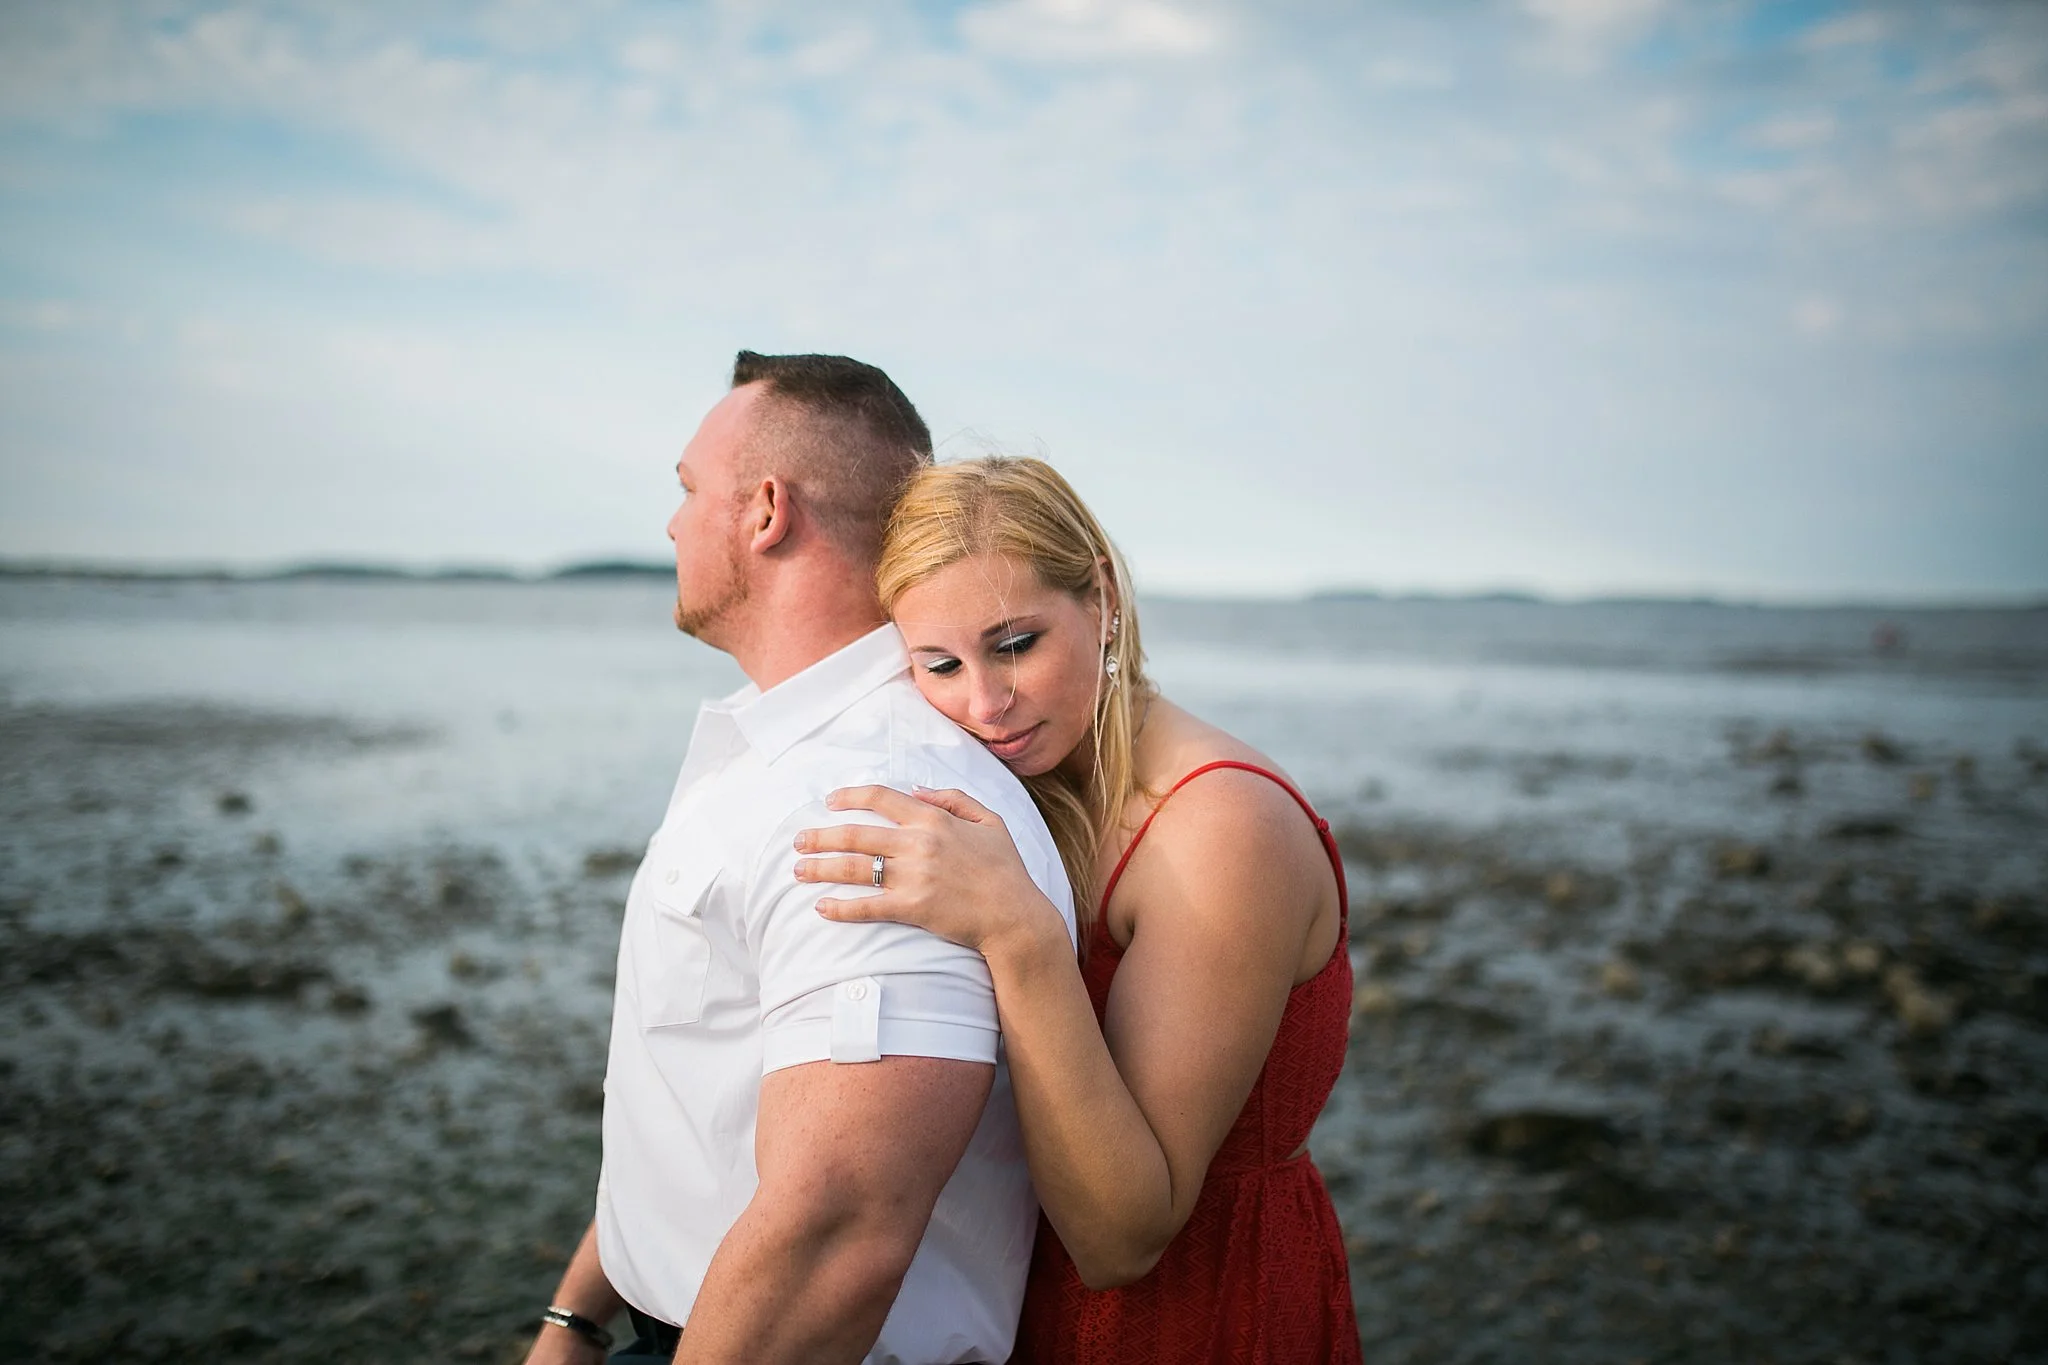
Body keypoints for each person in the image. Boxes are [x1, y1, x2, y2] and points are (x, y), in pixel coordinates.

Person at [523, 356, 1075, 1365]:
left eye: (689, 490)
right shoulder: (776, 750)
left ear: (766, 510)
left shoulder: (874, 798)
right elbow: (697, 1087)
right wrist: (576, 1317)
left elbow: (839, 1233)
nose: (672, 523)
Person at [794, 456, 1363, 1363]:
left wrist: (1017, 934)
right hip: (1014, 1299)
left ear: (1101, 598)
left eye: (1016, 644)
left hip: (1200, 1316)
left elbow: (1123, 1239)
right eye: (939, 664)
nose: (984, 704)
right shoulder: (1023, 788)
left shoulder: (1221, 831)